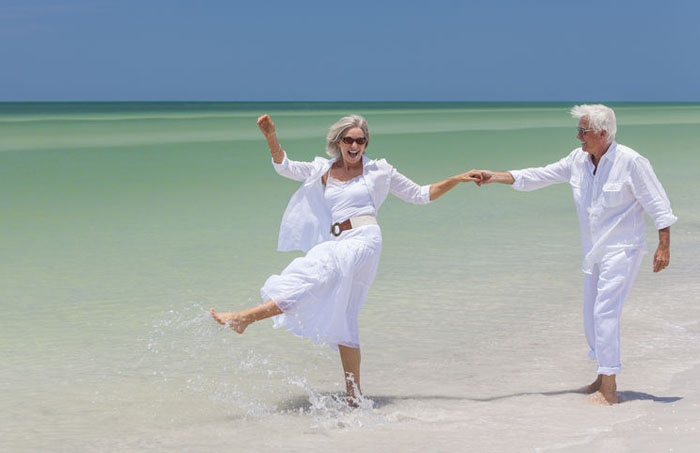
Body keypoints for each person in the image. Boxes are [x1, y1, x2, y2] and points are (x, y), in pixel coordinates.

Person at [211, 114, 478, 404]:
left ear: (366, 144)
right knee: (345, 316)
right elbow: (285, 167)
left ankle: (245, 318)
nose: (354, 145)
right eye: (348, 140)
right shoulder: (323, 170)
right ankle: (354, 396)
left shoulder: (379, 170)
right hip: (338, 241)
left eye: (360, 140)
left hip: (366, 240)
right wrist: (270, 136)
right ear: (337, 142)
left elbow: (420, 194)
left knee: (313, 276)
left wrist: (457, 178)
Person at [471, 104, 677, 406]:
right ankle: (600, 374)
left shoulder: (631, 161)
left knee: (605, 312)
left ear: (603, 133)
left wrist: (664, 246)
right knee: (590, 317)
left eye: (584, 131)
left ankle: (610, 388)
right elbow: (540, 175)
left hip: (623, 248)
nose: (578, 137)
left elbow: (659, 205)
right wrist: (494, 176)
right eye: (579, 131)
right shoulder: (578, 160)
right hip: (594, 252)